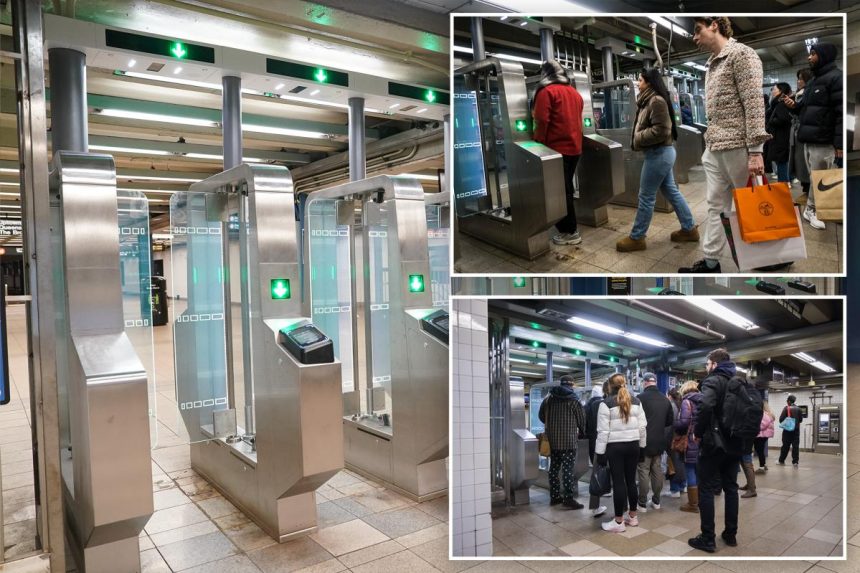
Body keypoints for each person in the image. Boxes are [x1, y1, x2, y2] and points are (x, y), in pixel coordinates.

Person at [678, 17, 771, 273]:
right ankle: (710, 261)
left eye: (697, 31)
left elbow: (753, 104)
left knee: (752, 206)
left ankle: (771, 255)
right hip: (715, 146)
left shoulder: (742, 54)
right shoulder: (711, 64)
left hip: (738, 148)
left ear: (714, 25)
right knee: (714, 206)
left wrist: (755, 151)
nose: (695, 38)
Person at [616, 68, 698, 253]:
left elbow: (662, 130)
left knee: (646, 196)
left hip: (659, 153)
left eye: (640, 79)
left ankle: (637, 238)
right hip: (660, 153)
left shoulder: (656, 101)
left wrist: (638, 137)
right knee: (671, 192)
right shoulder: (649, 100)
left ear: (649, 82)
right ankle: (689, 228)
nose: (638, 83)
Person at [688, 349, 744, 553]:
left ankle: (708, 538)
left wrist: (698, 432)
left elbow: (705, 406)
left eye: (706, 364)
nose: (706, 367)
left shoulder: (714, 381)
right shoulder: (739, 382)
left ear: (713, 364)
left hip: (714, 444)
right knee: (731, 488)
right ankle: (730, 534)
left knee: (706, 489)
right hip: (736, 443)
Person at [784, 43, 843, 231]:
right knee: (816, 177)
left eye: (814, 54)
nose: (809, 57)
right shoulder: (814, 81)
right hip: (809, 139)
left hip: (824, 140)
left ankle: (812, 210)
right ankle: (818, 209)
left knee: (823, 177)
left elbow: (841, 113)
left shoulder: (836, 78)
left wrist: (839, 143)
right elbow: (805, 108)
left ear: (824, 56)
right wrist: (793, 105)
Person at [532, 59, 585, 246]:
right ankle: (568, 227)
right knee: (566, 188)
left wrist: (539, 144)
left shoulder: (546, 92)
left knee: (561, 191)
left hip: (556, 150)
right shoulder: (575, 93)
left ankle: (569, 231)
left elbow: (541, 121)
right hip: (575, 149)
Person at [595, 373, 647, 533]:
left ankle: (618, 522)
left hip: (615, 448)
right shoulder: (637, 401)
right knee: (631, 481)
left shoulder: (605, 404)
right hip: (633, 446)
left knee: (618, 482)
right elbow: (642, 427)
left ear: (610, 386)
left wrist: (600, 454)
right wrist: (642, 448)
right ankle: (633, 517)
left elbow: (603, 432)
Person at [538, 374, 586, 508]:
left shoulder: (548, 400)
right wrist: (582, 432)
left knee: (553, 468)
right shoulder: (574, 400)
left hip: (552, 441)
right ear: (571, 385)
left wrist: (553, 425)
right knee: (567, 470)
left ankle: (554, 497)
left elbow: (541, 416)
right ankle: (568, 499)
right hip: (569, 441)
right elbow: (582, 420)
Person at [636, 372, 674, 512]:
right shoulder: (665, 399)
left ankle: (642, 503)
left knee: (643, 470)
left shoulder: (639, 399)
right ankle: (657, 501)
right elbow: (669, 421)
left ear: (645, 382)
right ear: (655, 382)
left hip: (644, 440)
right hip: (659, 440)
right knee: (657, 470)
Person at [675, 380, 702, 512]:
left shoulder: (687, 401)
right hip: (701, 440)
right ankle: (701, 500)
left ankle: (693, 504)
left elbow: (684, 423)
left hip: (690, 441)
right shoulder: (703, 400)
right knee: (699, 471)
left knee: (690, 470)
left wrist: (675, 424)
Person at [789, 69, 813, 200]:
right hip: (797, 132)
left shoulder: (808, 94)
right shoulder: (798, 94)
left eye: (801, 79)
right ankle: (806, 188)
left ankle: (809, 190)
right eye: (798, 78)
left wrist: (794, 107)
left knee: (805, 162)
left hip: (804, 132)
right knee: (799, 162)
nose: (798, 81)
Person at [585, 383, 608, 517]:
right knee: (612, 471)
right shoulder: (604, 404)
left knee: (595, 473)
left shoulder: (587, 406)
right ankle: (622, 506)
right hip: (605, 443)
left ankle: (595, 506)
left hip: (592, 443)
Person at [765, 83, 793, 183]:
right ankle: (786, 180)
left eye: (774, 89)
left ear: (780, 91)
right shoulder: (776, 103)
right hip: (777, 136)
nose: (772, 91)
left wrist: (771, 121)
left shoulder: (781, 103)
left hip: (781, 136)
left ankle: (784, 183)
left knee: (781, 160)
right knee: (780, 160)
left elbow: (784, 119)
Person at [667, 387, 687, 497]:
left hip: (673, 438)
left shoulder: (671, 406)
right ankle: (683, 486)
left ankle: (675, 489)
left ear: (670, 396)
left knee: (673, 464)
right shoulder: (683, 404)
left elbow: (670, 425)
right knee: (682, 462)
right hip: (683, 439)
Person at [777, 394, 804, 467]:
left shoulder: (786, 408)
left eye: (787, 401)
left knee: (785, 446)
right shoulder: (799, 409)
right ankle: (795, 462)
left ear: (789, 401)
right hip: (796, 431)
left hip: (787, 431)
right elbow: (801, 420)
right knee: (795, 446)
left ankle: (781, 460)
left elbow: (781, 419)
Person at [754, 401, 775, 473]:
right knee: (760, 450)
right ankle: (764, 465)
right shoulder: (768, 413)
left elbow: (763, 424)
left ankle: (761, 467)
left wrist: (755, 428)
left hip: (761, 434)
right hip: (764, 435)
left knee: (759, 450)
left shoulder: (763, 413)